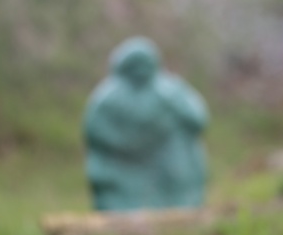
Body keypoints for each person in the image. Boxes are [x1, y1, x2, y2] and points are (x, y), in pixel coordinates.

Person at [84, 36, 209, 211]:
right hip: (123, 167)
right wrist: (128, 144)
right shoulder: (108, 98)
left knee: (179, 149)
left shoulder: (170, 92)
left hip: (170, 167)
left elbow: (197, 119)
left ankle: (182, 206)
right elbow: (96, 132)